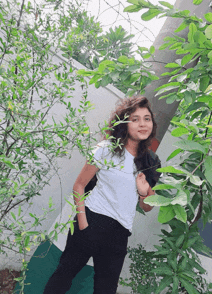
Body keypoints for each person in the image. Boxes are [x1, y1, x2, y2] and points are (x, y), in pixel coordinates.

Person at [43, 95, 161, 294]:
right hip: (92, 220)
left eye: (147, 118)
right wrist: (83, 222)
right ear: (124, 123)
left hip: (120, 233)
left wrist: (142, 193)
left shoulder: (150, 162)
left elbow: (147, 207)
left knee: (106, 289)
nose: (142, 124)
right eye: (135, 119)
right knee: (64, 275)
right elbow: (79, 185)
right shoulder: (107, 149)